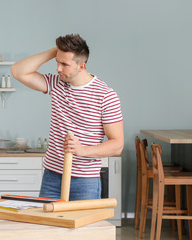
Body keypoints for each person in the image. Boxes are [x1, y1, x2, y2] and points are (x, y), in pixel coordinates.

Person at [11, 34, 124, 201]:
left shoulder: (105, 96)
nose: (58, 68)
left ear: (81, 66)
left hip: (85, 181)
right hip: (52, 176)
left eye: (64, 64)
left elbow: (117, 145)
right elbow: (17, 71)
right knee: (48, 226)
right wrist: (55, 52)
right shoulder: (57, 84)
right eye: (57, 62)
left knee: (81, 228)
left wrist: (82, 151)